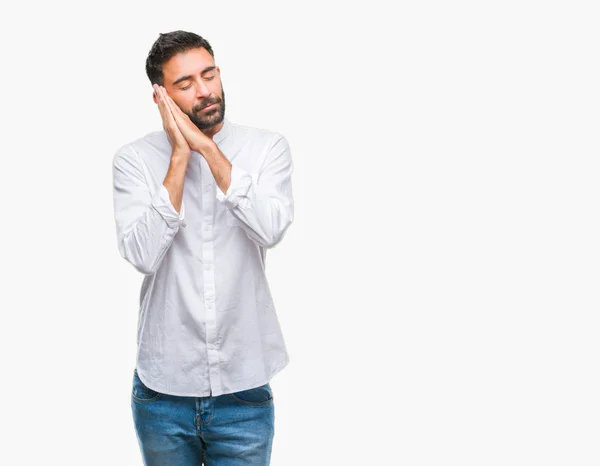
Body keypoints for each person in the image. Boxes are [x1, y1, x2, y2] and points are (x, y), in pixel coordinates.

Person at [111, 30, 294, 465]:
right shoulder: (133, 161)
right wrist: (179, 156)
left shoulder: (266, 148)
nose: (205, 91)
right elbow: (142, 255)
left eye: (209, 75)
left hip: (243, 393)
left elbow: (271, 229)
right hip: (163, 394)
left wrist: (207, 150)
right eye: (186, 84)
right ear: (160, 95)